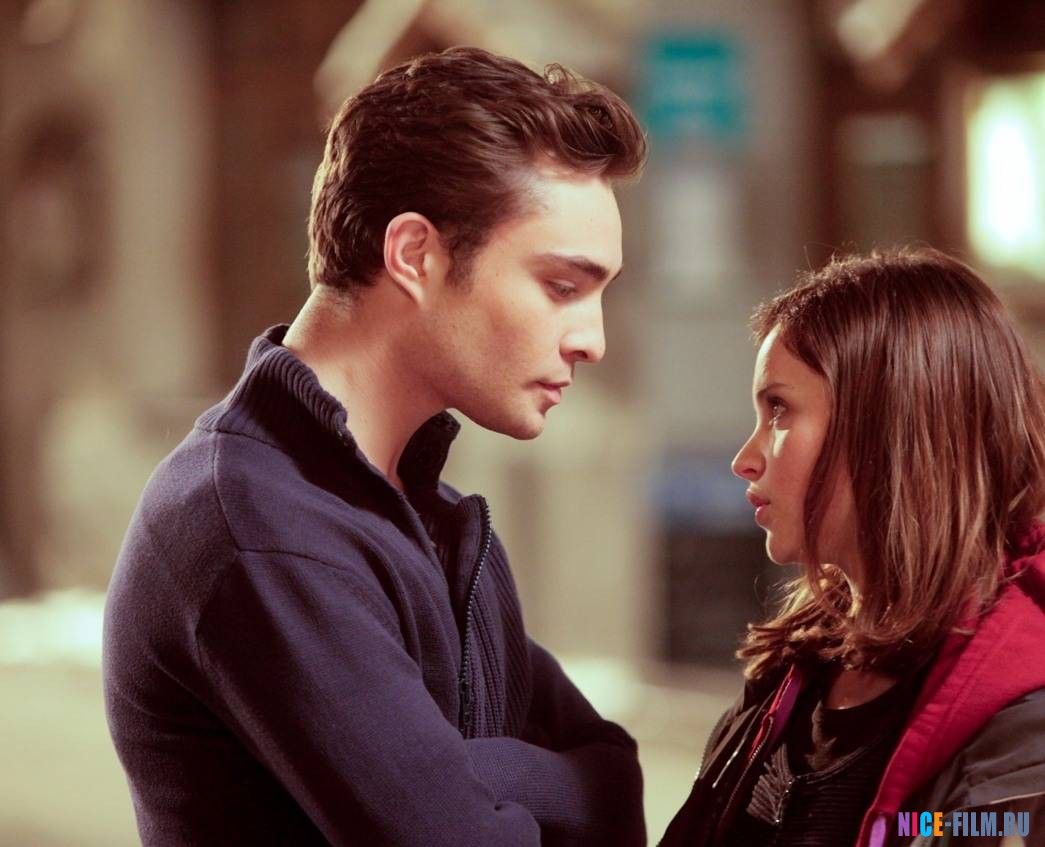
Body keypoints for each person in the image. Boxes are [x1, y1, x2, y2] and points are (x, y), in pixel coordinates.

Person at [104, 46, 648, 846]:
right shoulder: (259, 525)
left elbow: (615, 775)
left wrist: (464, 770)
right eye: (561, 286)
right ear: (414, 254)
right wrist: (508, 783)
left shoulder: (431, 519)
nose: (591, 340)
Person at [661, 248, 1045, 847]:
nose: (745, 458)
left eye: (779, 409)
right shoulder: (786, 683)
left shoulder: (1023, 724)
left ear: (888, 426)